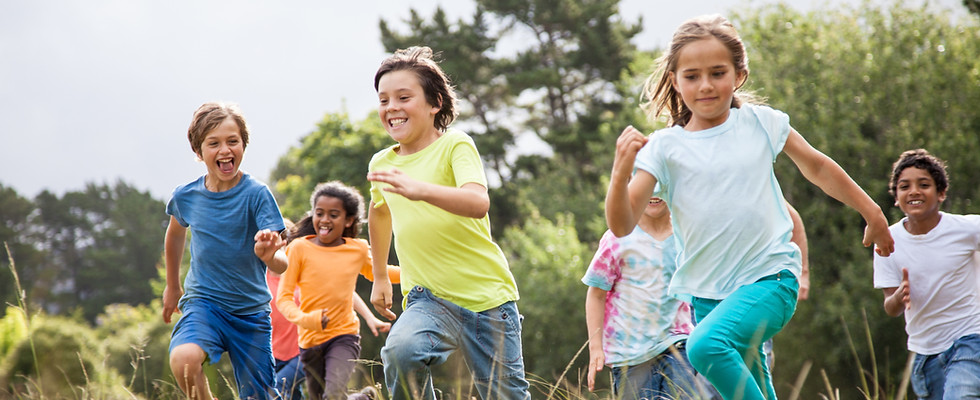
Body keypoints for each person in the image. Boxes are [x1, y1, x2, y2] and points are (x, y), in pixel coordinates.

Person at [604, 15, 894, 400]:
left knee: (705, 347)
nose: (705, 85)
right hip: (707, 296)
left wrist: (872, 211)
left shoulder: (760, 123)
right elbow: (622, 224)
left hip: (771, 278)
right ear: (675, 80)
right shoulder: (664, 148)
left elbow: (817, 166)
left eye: (717, 72)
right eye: (692, 76)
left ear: (738, 74)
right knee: (755, 385)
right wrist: (621, 171)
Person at [366, 46, 531, 400]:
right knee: (400, 353)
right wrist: (380, 275)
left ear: (434, 103)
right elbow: (379, 211)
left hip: (488, 301)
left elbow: (477, 202)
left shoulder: (456, 145)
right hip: (427, 299)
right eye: (383, 100)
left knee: (506, 395)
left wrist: (421, 189)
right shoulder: (381, 161)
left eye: (403, 97)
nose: (391, 107)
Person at [162, 101, 288, 400]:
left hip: (250, 313)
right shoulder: (187, 196)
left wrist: (270, 256)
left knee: (260, 396)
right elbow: (175, 234)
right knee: (183, 360)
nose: (225, 150)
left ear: (244, 144)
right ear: (198, 151)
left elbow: (282, 263)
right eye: (213, 143)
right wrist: (172, 286)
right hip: (204, 304)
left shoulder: (257, 194)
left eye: (233, 141)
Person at [276, 181, 399, 400]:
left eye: (333, 215)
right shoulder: (299, 249)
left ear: (349, 220)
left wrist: (418, 272)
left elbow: (380, 272)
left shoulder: (357, 249)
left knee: (332, 395)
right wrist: (307, 319)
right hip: (309, 342)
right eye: (319, 213)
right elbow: (283, 299)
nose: (324, 220)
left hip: (344, 336)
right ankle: (360, 399)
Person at [873, 149, 980, 399]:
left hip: (969, 338)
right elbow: (890, 307)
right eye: (904, 186)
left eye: (924, 185)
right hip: (925, 351)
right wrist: (899, 296)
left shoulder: (967, 229)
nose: (914, 191)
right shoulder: (886, 240)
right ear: (897, 198)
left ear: (941, 193)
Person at [268, 268, 305, 400]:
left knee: (279, 387)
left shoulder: (302, 274)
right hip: (273, 353)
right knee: (293, 394)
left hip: (303, 351)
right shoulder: (260, 278)